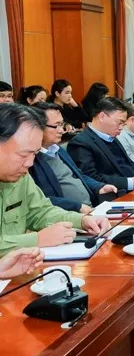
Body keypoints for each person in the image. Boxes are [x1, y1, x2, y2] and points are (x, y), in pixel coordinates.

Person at [0, 103, 110, 256]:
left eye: (35, 154)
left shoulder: (20, 175)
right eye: (24, 155)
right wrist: (37, 239)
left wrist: (82, 221)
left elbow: (41, 211)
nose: (30, 163)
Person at [29, 102, 118, 213]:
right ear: (38, 127)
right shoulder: (30, 160)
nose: (62, 130)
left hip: (89, 208)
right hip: (65, 215)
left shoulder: (58, 149)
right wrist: (76, 206)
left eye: (62, 124)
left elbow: (79, 175)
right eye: (56, 125)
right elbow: (41, 199)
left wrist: (99, 187)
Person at [67, 97, 134, 191]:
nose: (121, 128)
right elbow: (90, 177)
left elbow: (128, 163)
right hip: (115, 193)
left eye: (123, 124)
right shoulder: (81, 143)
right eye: (120, 123)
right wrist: (129, 182)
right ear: (102, 117)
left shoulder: (111, 136)